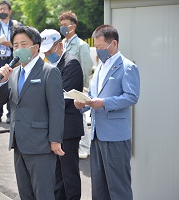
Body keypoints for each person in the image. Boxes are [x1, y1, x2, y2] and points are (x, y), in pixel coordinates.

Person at [0, 26, 65, 200]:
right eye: (15, 45)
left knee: (44, 194)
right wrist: (2, 82)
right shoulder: (14, 73)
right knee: (25, 194)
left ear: (36, 47)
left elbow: (57, 108)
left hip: (41, 145)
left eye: (23, 44)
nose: (19, 49)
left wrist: (55, 140)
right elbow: (2, 101)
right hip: (19, 143)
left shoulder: (49, 72)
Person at [74, 24, 140, 200]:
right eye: (96, 47)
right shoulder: (101, 67)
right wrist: (84, 104)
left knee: (119, 188)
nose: (98, 51)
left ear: (114, 44)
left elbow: (132, 97)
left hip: (116, 137)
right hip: (97, 135)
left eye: (101, 47)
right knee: (99, 187)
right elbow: (95, 96)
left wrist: (104, 103)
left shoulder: (127, 67)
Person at [40, 29, 84, 200]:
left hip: (68, 129)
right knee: (57, 175)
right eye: (44, 52)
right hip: (57, 129)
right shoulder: (53, 64)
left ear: (59, 45)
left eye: (49, 51)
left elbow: (61, 98)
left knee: (69, 175)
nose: (47, 55)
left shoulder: (70, 63)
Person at [58, 10, 93, 159]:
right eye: (61, 25)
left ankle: (84, 147)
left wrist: (84, 89)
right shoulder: (63, 44)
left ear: (73, 26)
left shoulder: (81, 45)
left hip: (78, 86)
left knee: (80, 117)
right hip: (65, 84)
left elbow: (86, 67)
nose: (63, 28)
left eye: (65, 25)